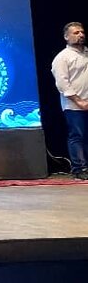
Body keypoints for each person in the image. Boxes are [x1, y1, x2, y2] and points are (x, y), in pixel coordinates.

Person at [51, 22, 88, 179]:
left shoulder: (86, 53)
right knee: (77, 135)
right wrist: (79, 101)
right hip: (74, 105)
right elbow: (62, 83)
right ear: (66, 37)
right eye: (76, 33)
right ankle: (79, 169)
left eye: (82, 32)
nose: (81, 35)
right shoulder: (62, 57)